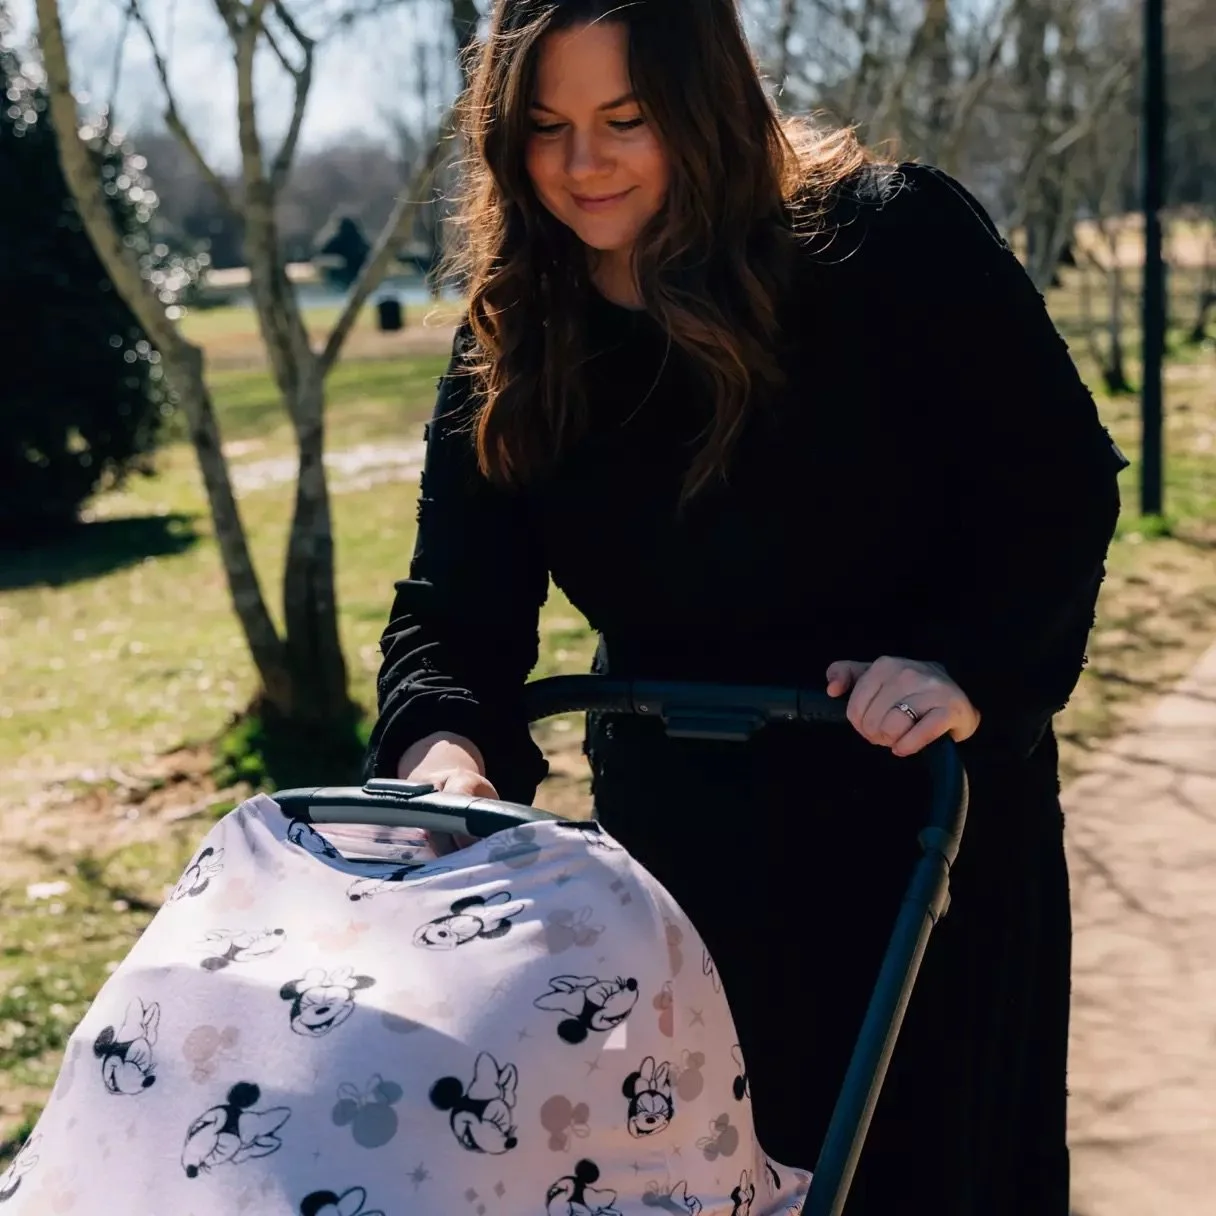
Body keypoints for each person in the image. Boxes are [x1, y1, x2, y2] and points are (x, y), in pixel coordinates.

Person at [366, 1, 1128, 1211]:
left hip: (914, 838)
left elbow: (1057, 485)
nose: (580, 163)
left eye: (625, 119)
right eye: (546, 126)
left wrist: (965, 666)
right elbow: (452, 614)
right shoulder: (518, 334)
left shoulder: (888, 245)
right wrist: (446, 753)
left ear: (706, 101)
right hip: (675, 872)